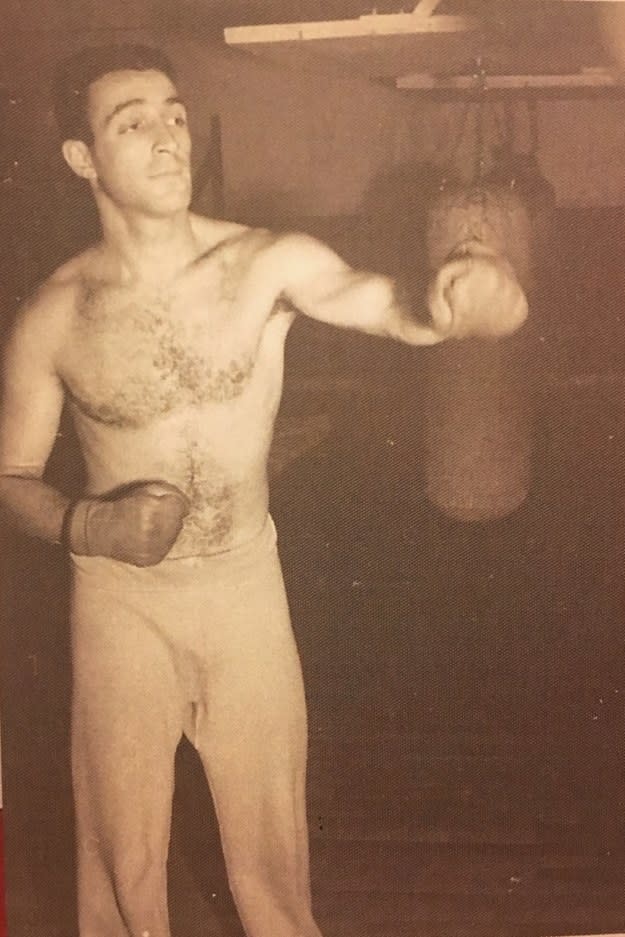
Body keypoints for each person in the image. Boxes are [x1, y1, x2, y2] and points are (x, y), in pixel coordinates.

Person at [0, 43, 527, 937]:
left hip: (243, 590)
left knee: (273, 871)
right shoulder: (54, 315)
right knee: (123, 869)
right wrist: (90, 523)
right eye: (133, 124)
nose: (168, 139)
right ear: (81, 159)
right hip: (120, 605)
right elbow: (9, 476)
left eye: (173, 114)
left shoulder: (262, 262)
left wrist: (447, 307)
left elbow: (378, 301)